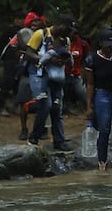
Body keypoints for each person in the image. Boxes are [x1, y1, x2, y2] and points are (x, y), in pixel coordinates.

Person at [25, 15, 76, 150]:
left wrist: (63, 61)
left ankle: (59, 141)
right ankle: (34, 137)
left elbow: (68, 57)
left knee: (56, 108)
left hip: (57, 78)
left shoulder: (66, 40)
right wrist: (46, 59)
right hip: (40, 76)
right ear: (58, 25)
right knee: (45, 105)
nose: (68, 32)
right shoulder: (40, 34)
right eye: (67, 28)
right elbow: (28, 54)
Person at [83, 30, 112, 171]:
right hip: (103, 95)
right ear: (101, 44)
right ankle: (102, 162)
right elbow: (90, 84)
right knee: (104, 128)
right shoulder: (92, 60)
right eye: (107, 45)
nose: (110, 48)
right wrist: (89, 105)